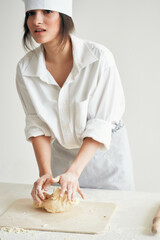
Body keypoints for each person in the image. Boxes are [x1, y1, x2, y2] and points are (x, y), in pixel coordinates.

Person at [16, 0, 135, 205]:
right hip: (62, 156)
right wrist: (45, 173)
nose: (37, 20)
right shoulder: (26, 69)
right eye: (30, 13)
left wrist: (74, 172)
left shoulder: (99, 59)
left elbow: (101, 123)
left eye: (47, 11)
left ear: (63, 17)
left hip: (104, 158)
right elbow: (37, 124)